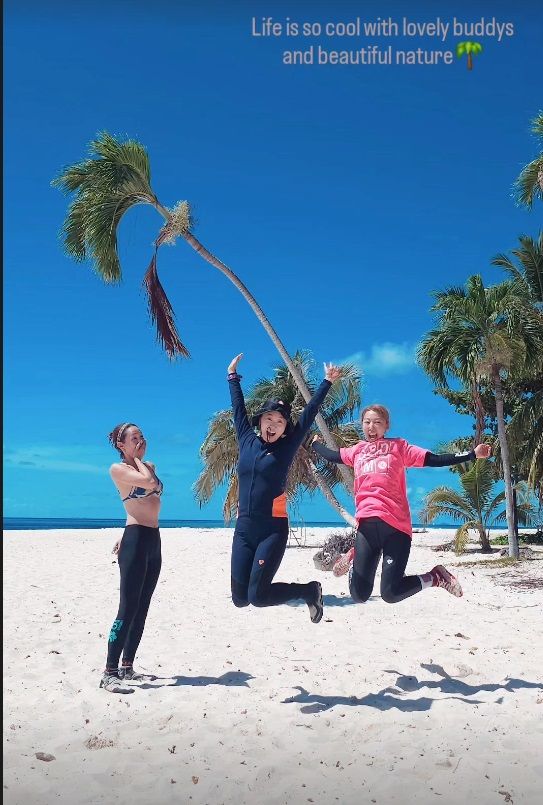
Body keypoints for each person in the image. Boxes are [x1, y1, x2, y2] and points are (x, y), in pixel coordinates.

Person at [312, 404, 492, 602]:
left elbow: (434, 459)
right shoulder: (357, 451)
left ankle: (435, 577)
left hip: (396, 528)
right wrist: (315, 445)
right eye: (367, 422)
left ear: (386, 426)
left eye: (377, 422)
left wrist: (472, 454)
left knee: (391, 593)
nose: (371, 427)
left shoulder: (398, 447)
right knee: (359, 595)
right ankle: (355, 557)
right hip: (367, 529)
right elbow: (332, 456)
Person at [227, 353, 342, 623]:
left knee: (258, 596)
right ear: (260, 422)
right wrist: (232, 377)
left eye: (280, 422)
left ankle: (308, 591)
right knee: (240, 599)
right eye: (269, 418)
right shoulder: (246, 439)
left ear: (284, 428)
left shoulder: (286, 447)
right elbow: (237, 409)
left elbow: (309, 413)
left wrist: (326, 382)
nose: (274, 425)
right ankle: (308, 591)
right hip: (243, 529)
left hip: (272, 530)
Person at [100, 423, 163, 693]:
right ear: (121, 445)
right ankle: (109, 672)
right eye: (133, 438)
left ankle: (127, 666)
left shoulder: (148, 465)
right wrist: (137, 458)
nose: (140, 440)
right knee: (127, 607)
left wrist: (142, 460)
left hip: (153, 539)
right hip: (135, 539)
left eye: (142, 436)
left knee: (142, 607)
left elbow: (153, 487)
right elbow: (149, 484)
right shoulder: (119, 469)